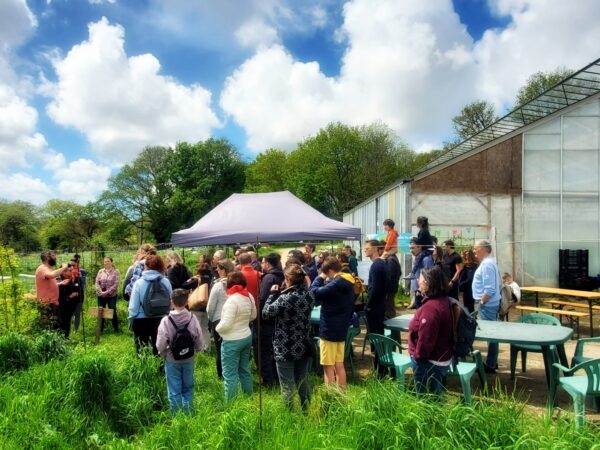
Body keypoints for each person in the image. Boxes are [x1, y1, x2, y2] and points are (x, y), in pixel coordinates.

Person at [263, 264, 314, 410]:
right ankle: (307, 410)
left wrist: (273, 294)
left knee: (287, 384)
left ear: (287, 279)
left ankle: (289, 415)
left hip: (285, 346)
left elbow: (266, 313)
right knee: (302, 380)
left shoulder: (286, 298)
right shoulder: (309, 295)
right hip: (303, 344)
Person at [156, 288, 204, 415]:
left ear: (171, 302)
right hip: (189, 359)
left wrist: (164, 353)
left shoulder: (166, 321)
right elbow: (199, 338)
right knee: (188, 387)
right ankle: (189, 414)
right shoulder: (192, 318)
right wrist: (197, 350)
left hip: (172, 360)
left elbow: (160, 344)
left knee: (174, 390)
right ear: (187, 302)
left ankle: (177, 418)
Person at [309, 257, 355, 389]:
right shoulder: (348, 280)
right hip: (341, 329)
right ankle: (342, 394)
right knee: (339, 364)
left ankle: (331, 396)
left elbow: (313, 292)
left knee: (328, 366)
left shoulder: (336, 283)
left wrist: (320, 277)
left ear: (329, 271)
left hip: (329, 330)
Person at [408, 265, 453, 396]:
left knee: (426, 399)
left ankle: (427, 416)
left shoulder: (430, 309)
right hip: (441, 356)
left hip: (429, 362)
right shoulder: (443, 300)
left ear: (428, 283)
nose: (417, 281)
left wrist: (418, 358)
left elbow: (426, 340)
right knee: (436, 395)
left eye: (420, 279)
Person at [216, 272, 257, 402]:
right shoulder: (248, 296)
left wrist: (217, 328)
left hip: (232, 341)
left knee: (230, 374)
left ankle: (232, 406)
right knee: (244, 369)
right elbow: (253, 316)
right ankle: (248, 398)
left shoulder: (232, 301)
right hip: (246, 336)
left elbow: (226, 325)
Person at [128, 254, 173, 355]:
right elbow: (171, 301)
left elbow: (133, 306)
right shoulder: (166, 281)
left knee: (141, 350)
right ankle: (160, 369)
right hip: (161, 319)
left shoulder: (139, 283)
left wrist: (131, 319)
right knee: (159, 349)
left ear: (146, 266)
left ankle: (144, 369)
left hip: (141, 320)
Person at [472, 239, 501, 373]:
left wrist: (481, 302)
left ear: (484, 249)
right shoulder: (489, 263)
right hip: (489, 304)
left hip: (487, 305)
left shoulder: (487, 265)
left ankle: (490, 364)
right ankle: (492, 361)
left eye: (476, 249)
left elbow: (490, 289)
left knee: (491, 334)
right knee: (492, 333)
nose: (474, 251)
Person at [256, 253, 284, 387]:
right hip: (279, 319)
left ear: (267, 263)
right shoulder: (283, 275)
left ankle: (268, 381)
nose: (261, 265)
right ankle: (278, 378)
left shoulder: (268, 278)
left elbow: (262, 300)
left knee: (265, 352)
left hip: (266, 321)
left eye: (262, 262)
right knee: (275, 350)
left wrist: (259, 318)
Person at [206, 259, 234, 379]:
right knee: (232, 349)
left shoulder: (218, 286)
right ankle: (233, 373)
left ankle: (221, 376)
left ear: (223, 270)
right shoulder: (236, 282)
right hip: (233, 319)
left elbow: (210, 307)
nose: (216, 270)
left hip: (219, 320)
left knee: (220, 350)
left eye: (218, 268)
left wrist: (211, 320)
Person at [363, 240, 389, 376]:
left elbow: (376, 290)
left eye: (367, 248)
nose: (364, 250)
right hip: (378, 306)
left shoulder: (377, 266)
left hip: (375, 308)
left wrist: (368, 305)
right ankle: (380, 368)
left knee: (377, 338)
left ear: (375, 249)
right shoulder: (379, 265)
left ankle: (381, 370)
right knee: (377, 338)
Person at [181, 262, 212, 352]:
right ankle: (207, 348)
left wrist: (190, 279)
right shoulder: (210, 280)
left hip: (196, 306)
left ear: (198, 271)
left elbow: (184, 285)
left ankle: (198, 348)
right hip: (206, 306)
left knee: (195, 328)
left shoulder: (196, 280)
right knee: (205, 328)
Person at [35, 250, 69, 329]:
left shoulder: (47, 269)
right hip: (47, 304)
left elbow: (46, 284)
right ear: (47, 258)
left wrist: (60, 283)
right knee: (50, 327)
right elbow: (52, 275)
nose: (55, 258)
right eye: (53, 256)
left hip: (52, 303)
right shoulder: (42, 269)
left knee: (55, 326)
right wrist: (64, 268)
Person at [95, 256, 121, 332]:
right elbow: (96, 282)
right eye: (105, 261)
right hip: (100, 295)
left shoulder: (116, 272)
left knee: (112, 309)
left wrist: (106, 292)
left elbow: (115, 284)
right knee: (101, 310)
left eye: (108, 261)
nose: (106, 263)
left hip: (111, 295)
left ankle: (116, 328)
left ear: (111, 262)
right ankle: (101, 328)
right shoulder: (100, 271)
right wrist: (100, 292)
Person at [407, 239, 434, 309]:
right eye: (410, 248)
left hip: (422, 291)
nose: (411, 250)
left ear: (420, 247)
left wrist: (420, 289)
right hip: (418, 289)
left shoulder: (426, 259)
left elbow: (428, 276)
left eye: (413, 248)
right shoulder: (417, 257)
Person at [58, 264, 80, 338]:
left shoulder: (71, 279)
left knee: (67, 322)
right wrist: (70, 296)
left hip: (70, 307)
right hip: (61, 308)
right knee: (62, 323)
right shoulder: (59, 281)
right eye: (70, 271)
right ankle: (61, 340)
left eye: (72, 270)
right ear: (63, 272)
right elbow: (58, 298)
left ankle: (66, 338)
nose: (72, 272)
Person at [458, 249, 478, 313]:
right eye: (465, 255)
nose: (466, 256)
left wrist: (461, 284)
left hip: (470, 288)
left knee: (470, 305)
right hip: (465, 289)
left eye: (467, 255)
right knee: (466, 304)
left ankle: (471, 318)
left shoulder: (474, 266)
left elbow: (470, 278)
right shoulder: (465, 266)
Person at [385, 252, 401, 319]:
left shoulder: (390, 259)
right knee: (390, 304)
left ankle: (391, 321)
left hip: (390, 287)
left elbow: (390, 274)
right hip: (393, 285)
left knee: (389, 305)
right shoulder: (393, 258)